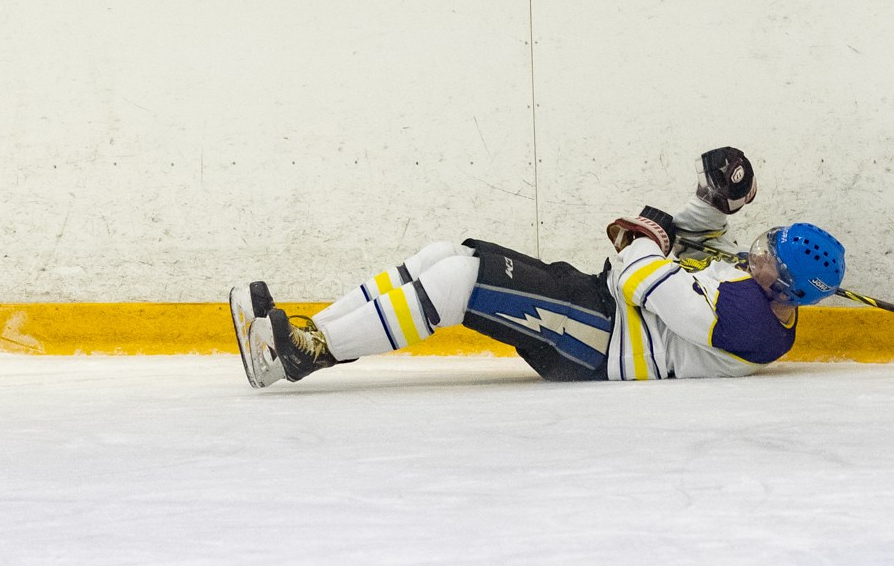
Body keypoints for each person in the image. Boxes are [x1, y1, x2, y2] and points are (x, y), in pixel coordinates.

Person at [227, 147, 849, 387]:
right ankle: (307, 339)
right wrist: (711, 204)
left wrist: (648, 236)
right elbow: (688, 253)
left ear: (786, 283)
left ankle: (301, 354)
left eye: (770, 253)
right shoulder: (761, 297)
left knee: (453, 285)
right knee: (446, 255)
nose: (756, 251)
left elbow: (641, 277)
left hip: (595, 342)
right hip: (595, 309)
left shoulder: (748, 323)